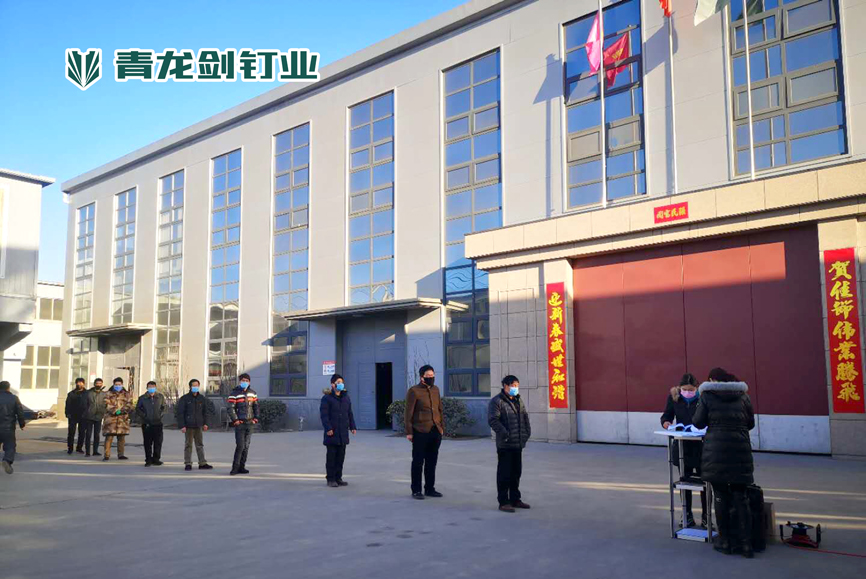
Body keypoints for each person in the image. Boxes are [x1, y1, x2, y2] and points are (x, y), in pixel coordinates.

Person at [693, 368, 756, 558]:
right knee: (741, 496)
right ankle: (746, 545)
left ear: (712, 380)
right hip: (740, 451)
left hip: (717, 453)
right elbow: (750, 423)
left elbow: (698, 422)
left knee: (720, 496)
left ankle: (725, 541)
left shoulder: (707, 396)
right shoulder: (743, 396)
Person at [661, 373, 707, 528]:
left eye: (691, 390)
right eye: (685, 389)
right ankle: (687, 514)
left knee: (705, 482)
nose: (687, 392)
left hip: (701, 446)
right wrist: (666, 423)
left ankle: (706, 515)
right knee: (684, 481)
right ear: (680, 388)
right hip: (682, 447)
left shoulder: (703, 399)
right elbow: (666, 415)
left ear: (696, 389)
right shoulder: (674, 398)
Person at [488, 375, 532, 513]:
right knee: (504, 474)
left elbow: (524, 416)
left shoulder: (518, 400)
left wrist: (527, 432)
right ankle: (503, 502)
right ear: (505, 386)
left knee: (516, 473)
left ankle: (515, 499)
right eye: (513, 385)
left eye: (517, 385)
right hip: (505, 444)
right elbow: (493, 420)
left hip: (518, 443)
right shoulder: (497, 401)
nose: (515, 388)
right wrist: (505, 434)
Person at [405, 365, 444, 500]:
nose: (431, 378)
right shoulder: (414, 391)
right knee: (418, 461)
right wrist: (409, 432)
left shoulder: (436, 390)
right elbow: (408, 413)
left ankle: (430, 488)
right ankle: (416, 490)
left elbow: (439, 409)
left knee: (431, 462)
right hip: (420, 431)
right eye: (428, 376)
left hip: (435, 430)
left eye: (432, 376)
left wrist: (441, 427)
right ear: (422, 377)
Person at [320, 374, 357, 488]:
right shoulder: (327, 398)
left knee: (340, 457)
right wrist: (328, 428)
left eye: (342, 382)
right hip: (332, 432)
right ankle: (330, 479)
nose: (341, 384)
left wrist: (352, 426)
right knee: (331, 457)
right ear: (333, 384)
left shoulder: (346, 398)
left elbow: (349, 413)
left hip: (343, 432)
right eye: (338, 382)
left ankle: (338, 478)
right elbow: (324, 415)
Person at [175, 379, 214, 471]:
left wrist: (206, 423)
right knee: (188, 445)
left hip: (198, 425)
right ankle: (188, 463)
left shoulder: (202, 398)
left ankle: (202, 463)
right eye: (193, 385)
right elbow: (180, 413)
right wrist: (182, 425)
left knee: (200, 445)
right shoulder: (185, 398)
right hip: (188, 426)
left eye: (197, 385)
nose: (195, 387)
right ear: (190, 387)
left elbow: (206, 412)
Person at [227, 373, 259, 476]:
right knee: (240, 446)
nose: (245, 382)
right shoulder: (234, 394)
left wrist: (255, 419)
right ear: (239, 381)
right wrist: (235, 420)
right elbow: (230, 408)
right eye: (243, 380)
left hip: (250, 423)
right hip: (240, 424)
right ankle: (235, 468)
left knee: (246, 446)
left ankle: (242, 467)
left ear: (249, 382)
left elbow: (256, 407)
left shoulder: (253, 393)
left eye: (246, 381)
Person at [102, 377, 133, 461]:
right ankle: (106, 455)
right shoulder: (108, 394)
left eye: (119, 384)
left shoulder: (127, 394)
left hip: (122, 419)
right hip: (111, 419)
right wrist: (115, 411)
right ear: (113, 384)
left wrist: (121, 411)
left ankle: (121, 454)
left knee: (121, 438)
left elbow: (129, 404)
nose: (118, 386)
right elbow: (106, 404)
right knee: (109, 437)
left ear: (122, 385)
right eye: (116, 384)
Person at [136, 381, 166, 467]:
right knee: (147, 442)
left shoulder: (160, 397)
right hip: (147, 423)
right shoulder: (142, 398)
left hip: (158, 423)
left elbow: (164, 407)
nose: (151, 389)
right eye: (150, 387)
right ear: (147, 388)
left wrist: (160, 415)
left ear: (155, 388)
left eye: (153, 387)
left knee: (158, 442)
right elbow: (138, 409)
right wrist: (144, 416)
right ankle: (148, 459)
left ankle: (156, 459)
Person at [0, 381, 27, 474]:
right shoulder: (14, 398)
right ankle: (7, 460)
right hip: (8, 428)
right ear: (8, 388)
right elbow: (20, 412)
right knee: (10, 446)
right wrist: (22, 424)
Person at [65, 377, 89, 455]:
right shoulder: (71, 394)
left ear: (84, 384)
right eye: (78, 382)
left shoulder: (87, 393)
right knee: (71, 433)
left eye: (81, 383)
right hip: (73, 416)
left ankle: (79, 448)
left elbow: (89, 404)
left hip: (83, 416)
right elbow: (68, 404)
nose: (79, 384)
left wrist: (87, 413)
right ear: (76, 384)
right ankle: (70, 448)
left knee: (82, 433)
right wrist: (67, 413)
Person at [84, 378, 107, 456]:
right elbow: (84, 404)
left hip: (99, 416)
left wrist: (103, 412)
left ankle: (95, 451)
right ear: (94, 384)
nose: (98, 385)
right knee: (88, 434)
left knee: (97, 435)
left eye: (100, 383)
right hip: (89, 416)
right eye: (97, 383)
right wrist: (86, 413)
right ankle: (87, 451)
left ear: (102, 384)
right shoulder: (88, 393)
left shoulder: (104, 394)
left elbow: (106, 405)